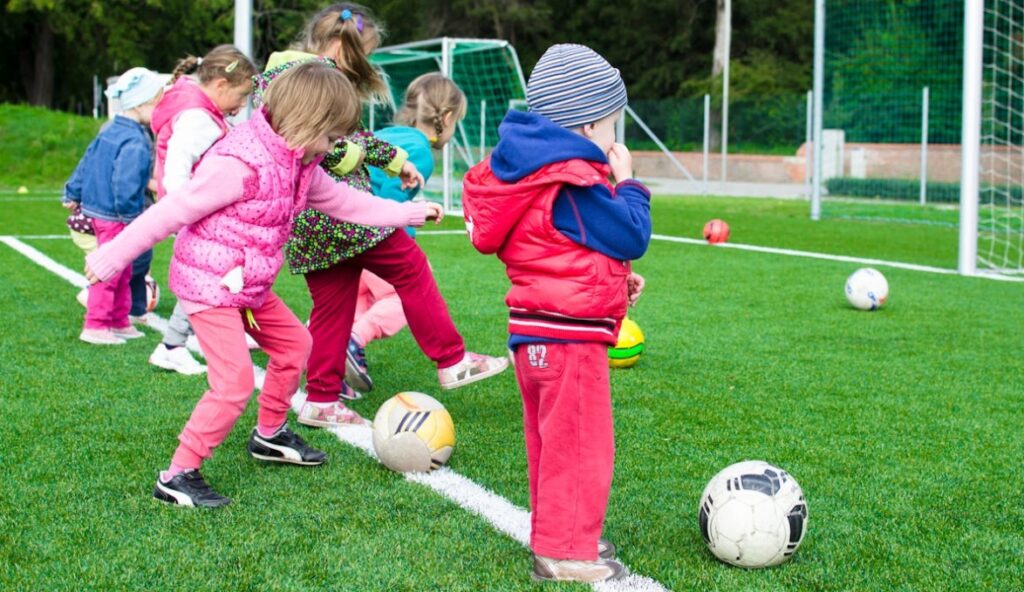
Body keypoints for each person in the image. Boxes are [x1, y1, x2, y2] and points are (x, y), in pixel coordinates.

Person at [84, 62, 444, 508]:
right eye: (332, 138)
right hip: (209, 286)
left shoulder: (301, 161)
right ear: (307, 123)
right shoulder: (238, 164)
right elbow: (171, 211)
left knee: (297, 346)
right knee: (233, 383)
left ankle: (269, 435)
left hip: (248, 285)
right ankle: (177, 474)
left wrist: (406, 213)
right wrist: (111, 256)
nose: (336, 148)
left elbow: (343, 202)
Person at [254, 3, 507, 430]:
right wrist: (360, 161)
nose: (363, 66)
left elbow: (351, 136)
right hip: (340, 213)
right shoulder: (308, 79)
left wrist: (395, 162)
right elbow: (323, 145)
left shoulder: (285, 74)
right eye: (361, 55)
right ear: (338, 46)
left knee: (334, 307)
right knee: (410, 267)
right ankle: (452, 359)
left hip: (309, 223)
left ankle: (320, 399)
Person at [461, 44, 652, 583]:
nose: (616, 138)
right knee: (580, 446)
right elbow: (631, 232)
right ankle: (565, 552)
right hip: (568, 341)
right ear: (589, 124)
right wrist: (630, 182)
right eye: (614, 124)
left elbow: (558, 249)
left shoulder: (532, 174)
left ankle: (559, 533)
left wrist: (614, 283)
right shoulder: (572, 180)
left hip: (536, 333)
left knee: (552, 444)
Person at [346, 72, 468, 392]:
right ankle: (353, 341)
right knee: (405, 295)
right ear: (447, 117)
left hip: (343, 232)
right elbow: (387, 202)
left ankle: (326, 355)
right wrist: (411, 223)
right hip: (371, 235)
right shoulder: (421, 153)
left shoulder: (389, 135)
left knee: (355, 302)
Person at [147, 45, 258, 376]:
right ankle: (171, 345)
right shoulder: (198, 119)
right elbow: (178, 168)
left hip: (197, 211)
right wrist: (186, 210)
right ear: (221, 86)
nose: (241, 108)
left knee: (223, 272)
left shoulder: (200, 109)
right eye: (240, 96)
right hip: (196, 213)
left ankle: (211, 334)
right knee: (207, 277)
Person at [63, 67, 165, 346]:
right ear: (142, 104)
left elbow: (86, 160)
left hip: (102, 210)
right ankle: (96, 325)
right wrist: (132, 217)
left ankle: (119, 320)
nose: (160, 110)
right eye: (158, 103)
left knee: (124, 268)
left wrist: (73, 190)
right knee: (110, 269)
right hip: (117, 215)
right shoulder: (135, 139)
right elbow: (126, 181)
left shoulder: (110, 129)